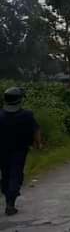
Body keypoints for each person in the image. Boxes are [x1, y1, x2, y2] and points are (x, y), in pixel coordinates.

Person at [0, 87, 41, 216]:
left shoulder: (0, 115)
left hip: (2, 151)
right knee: (16, 175)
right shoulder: (27, 115)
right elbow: (36, 131)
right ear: (19, 100)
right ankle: (10, 203)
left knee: (6, 175)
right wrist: (38, 144)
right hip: (19, 151)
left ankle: (8, 201)